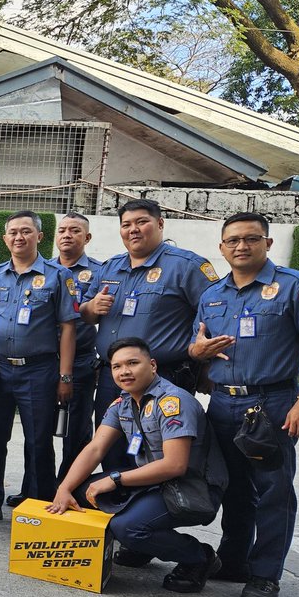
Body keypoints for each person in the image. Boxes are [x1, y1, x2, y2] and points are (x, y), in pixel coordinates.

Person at [189, 211, 299, 597]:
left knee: (273, 491)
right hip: (223, 401)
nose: (241, 246)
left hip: (273, 403)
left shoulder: (295, 287)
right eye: (232, 240)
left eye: (251, 238)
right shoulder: (213, 295)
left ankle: (265, 576)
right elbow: (197, 344)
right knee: (232, 487)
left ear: (267, 243)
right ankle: (234, 561)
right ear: (221, 247)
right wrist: (196, 353)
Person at [50, 337, 223, 594]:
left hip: (191, 487)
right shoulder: (124, 402)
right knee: (76, 494)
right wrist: (63, 487)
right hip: (153, 482)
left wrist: (115, 479)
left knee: (128, 527)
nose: (124, 371)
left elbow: (175, 465)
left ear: (152, 365)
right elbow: (96, 448)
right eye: (117, 366)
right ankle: (143, 546)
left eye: (133, 363)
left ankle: (199, 556)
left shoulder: (173, 402)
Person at [82, 198, 218, 470]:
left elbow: (213, 316)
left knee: (154, 451)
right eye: (126, 224)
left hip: (165, 376)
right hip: (113, 375)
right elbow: (86, 313)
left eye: (141, 222)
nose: (133, 229)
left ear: (160, 223)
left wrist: (205, 367)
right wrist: (91, 307)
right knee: (111, 446)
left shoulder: (187, 266)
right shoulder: (110, 267)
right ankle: (116, 505)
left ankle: (151, 510)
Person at [0, 210, 78, 527]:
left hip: (39, 371)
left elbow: (68, 328)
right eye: (13, 232)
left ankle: (39, 505)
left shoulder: (57, 276)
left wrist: (65, 376)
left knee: (38, 441)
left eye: (26, 231)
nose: (19, 237)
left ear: (39, 237)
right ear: (4, 240)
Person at [52, 212, 103, 485]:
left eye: (74, 230)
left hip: (81, 362)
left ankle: (68, 486)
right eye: (62, 230)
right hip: (45, 361)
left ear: (87, 237)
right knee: (39, 430)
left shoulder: (100, 272)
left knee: (77, 431)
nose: (67, 235)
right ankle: (39, 488)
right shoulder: (43, 270)